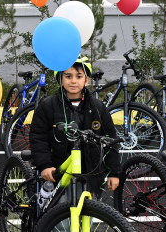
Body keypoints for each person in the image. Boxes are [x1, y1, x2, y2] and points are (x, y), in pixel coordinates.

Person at [29, 56, 121, 195]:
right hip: (58, 172)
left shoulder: (98, 107)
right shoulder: (47, 106)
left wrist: (114, 172)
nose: (73, 81)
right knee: (61, 213)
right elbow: (38, 137)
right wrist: (45, 165)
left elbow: (110, 139)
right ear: (60, 79)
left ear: (86, 80)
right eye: (68, 76)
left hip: (90, 172)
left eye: (79, 76)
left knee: (87, 211)